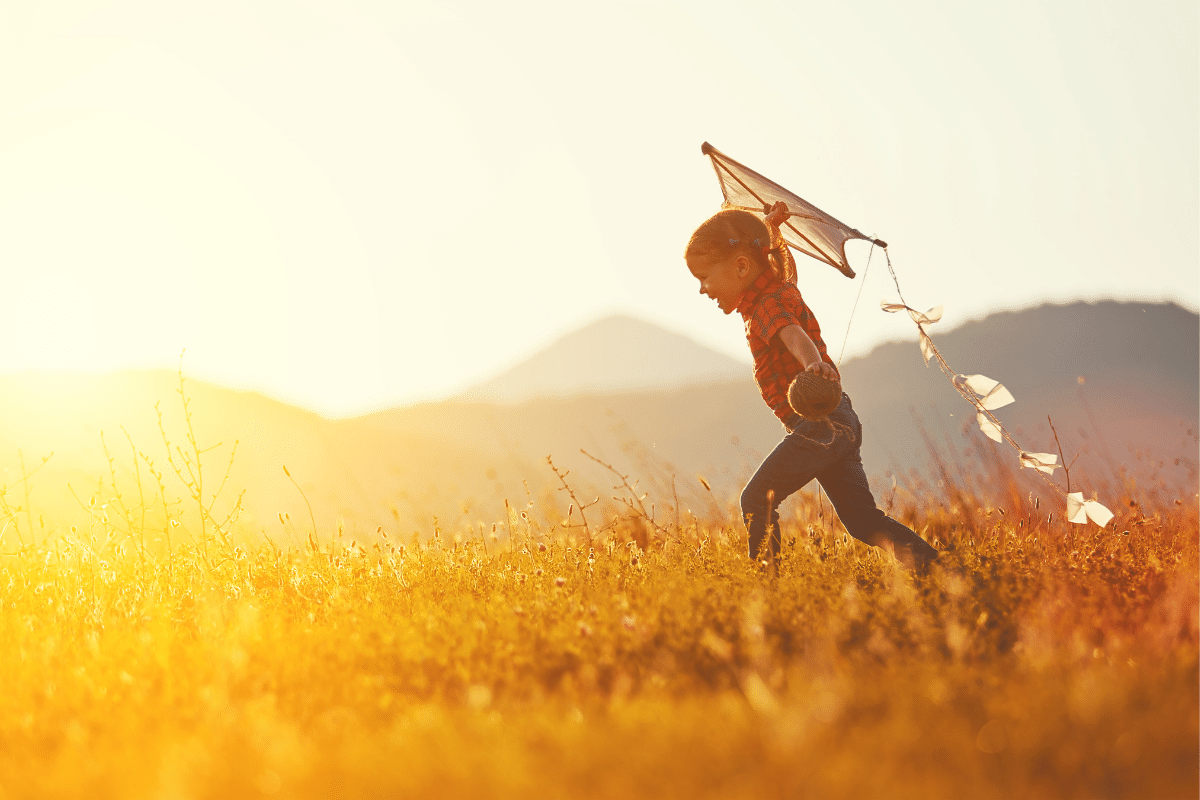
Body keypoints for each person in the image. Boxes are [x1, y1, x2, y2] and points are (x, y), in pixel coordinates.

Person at [684, 202, 938, 571]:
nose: (703, 289)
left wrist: (812, 363)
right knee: (863, 521)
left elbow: (792, 332)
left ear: (741, 266)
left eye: (704, 277)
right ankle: (941, 572)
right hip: (837, 423)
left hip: (823, 426)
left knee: (757, 498)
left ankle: (765, 582)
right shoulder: (774, 290)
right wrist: (769, 229)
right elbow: (775, 272)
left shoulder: (769, 305)